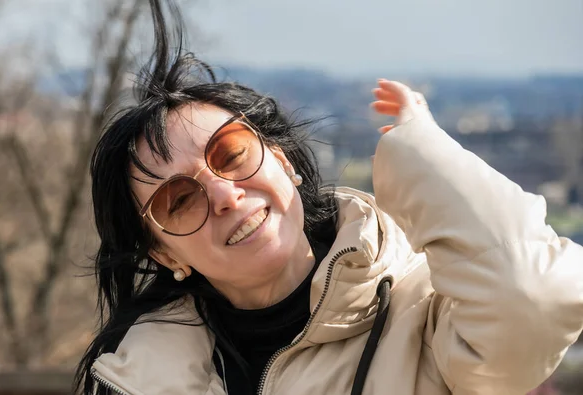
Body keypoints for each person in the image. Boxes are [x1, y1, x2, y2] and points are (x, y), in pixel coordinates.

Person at [74, 1, 583, 394]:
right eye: (177, 199)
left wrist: (419, 155)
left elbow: (534, 298)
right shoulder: (135, 376)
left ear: (285, 162)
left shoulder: (425, 318)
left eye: (230, 153)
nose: (225, 194)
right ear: (165, 254)